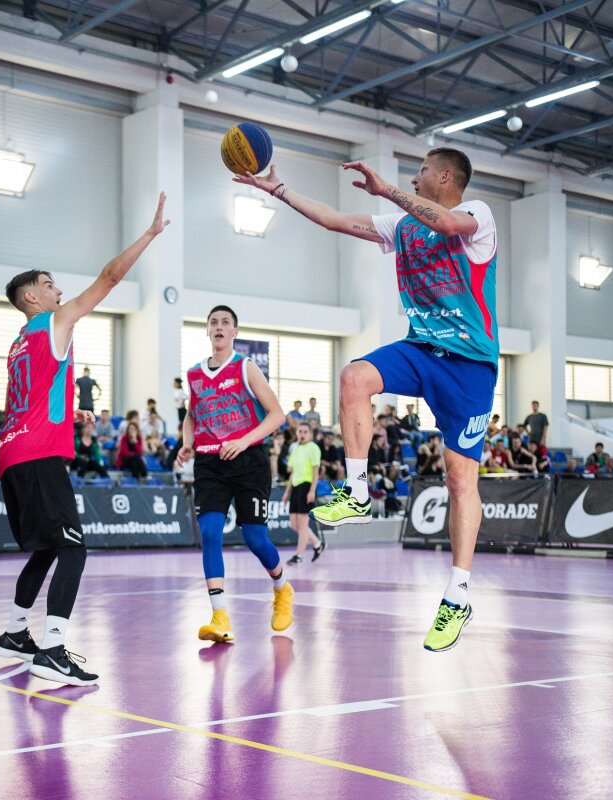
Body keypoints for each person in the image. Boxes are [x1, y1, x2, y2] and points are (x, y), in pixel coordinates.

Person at [237, 147, 498, 652]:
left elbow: (446, 225)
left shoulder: (478, 217)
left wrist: (386, 192)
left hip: (469, 364)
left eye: (422, 169)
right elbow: (336, 220)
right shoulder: (400, 227)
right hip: (420, 349)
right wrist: (279, 190)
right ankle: (357, 491)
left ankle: (458, 593)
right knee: (354, 377)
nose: (414, 175)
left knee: (460, 480)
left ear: (446, 175)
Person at [0, 192, 168, 687]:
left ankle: (13, 633)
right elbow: (110, 278)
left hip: (14, 451)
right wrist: (150, 235)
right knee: (73, 548)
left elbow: (30, 399)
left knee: (47, 548)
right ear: (32, 298)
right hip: (37, 453)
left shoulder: (18, 342)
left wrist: (70, 413)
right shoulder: (55, 321)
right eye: (49, 286)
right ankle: (51, 649)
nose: (58, 291)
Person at [175, 304, 292, 644]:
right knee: (210, 532)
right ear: (208, 331)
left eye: (226, 323)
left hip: (248, 460)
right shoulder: (195, 375)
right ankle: (219, 616)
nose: (219, 327)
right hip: (210, 463)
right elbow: (191, 416)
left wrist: (242, 441)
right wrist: (187, 443)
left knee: (255, 539)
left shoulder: (246, 367)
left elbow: (276, 415)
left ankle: (282, 588)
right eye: (213, 322)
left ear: (235, 332)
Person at [284, 422, 323, 565]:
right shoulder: (296, 449)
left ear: (310, 434)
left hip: (306, 487)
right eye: (300, 431)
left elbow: (315, 472)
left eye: (305, 431)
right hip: (295, 487)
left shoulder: (313, 448)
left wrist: (312, 490)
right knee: (294, 524)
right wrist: (287, 492)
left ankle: (299, 556)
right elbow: (292, 472)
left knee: (302, 524)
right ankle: (317, 543)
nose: (302, 434)